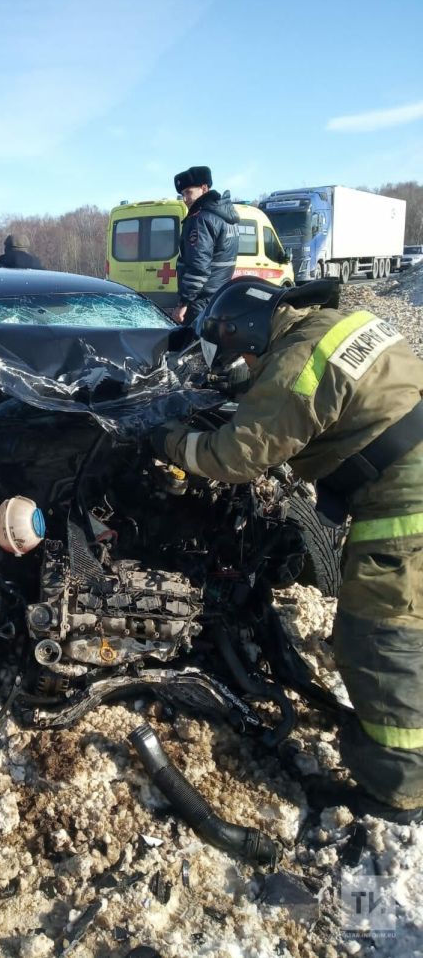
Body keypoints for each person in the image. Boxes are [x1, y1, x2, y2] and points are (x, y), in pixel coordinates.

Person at [151, 276, 423, 821]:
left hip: (404, 502)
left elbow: (235, 457)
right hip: (408, 470)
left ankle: (398, 791)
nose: (244, 366)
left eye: (241, 355)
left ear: (247, 331)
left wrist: (168, 440)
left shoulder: (296, 358)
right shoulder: (334, 326)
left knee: (380, 633)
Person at [171, 165, 239, 327]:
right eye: (182, 194)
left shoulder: (200, 220)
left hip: (199, 301)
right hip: (220, 296)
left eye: (188, 192)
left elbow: (198, 268)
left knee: (190, 349)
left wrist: (183, 304)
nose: (185, 199)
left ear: (204, 188)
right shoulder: (225, 216)